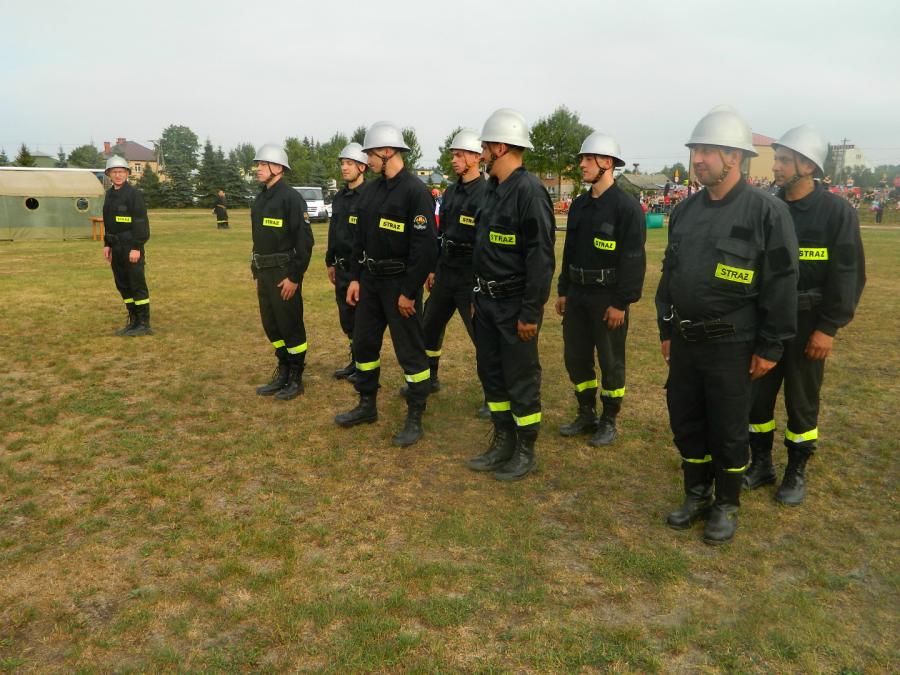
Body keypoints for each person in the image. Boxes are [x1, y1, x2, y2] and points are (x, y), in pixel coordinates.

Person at [655, 106, 799, 545]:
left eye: (707, 151)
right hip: (686, 341)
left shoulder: (766, 212)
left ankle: (726, 503)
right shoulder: (685, 211)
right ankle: (697, 494)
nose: (697, 159)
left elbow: (782, 282)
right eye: (695, 150)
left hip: (733, 344)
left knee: (728, 427)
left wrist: (770, 346)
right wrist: (666, 329)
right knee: (686, 420)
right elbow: (670, 273)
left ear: (734, 156)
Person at [746, 125, 866, 505]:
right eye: (777, 159)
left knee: (801, 401)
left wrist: (827, 328)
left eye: (784, 160)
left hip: (808, 324)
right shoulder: (767, 207)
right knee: (757, 397)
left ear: (808, 166)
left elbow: (848, 273)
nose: (776, 166)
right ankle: (760, 463)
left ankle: (795, 471)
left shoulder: (836, 212)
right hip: (766, 322)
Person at [464, 108, 556, 481]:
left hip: (515, 305)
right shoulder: (490, 190)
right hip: (486, 302)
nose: (482, 153)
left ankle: (525, 450)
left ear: (501, 147)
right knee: (491, 374)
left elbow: (541, 258)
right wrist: (476, 295)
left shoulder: (529, 191)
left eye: (485, 147)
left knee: (521, 378)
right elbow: (482, 248)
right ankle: (502, 441)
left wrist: (530, 312)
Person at [334, 121, 438, 447]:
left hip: (399, 285)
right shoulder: (371, 191)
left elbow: (425, 248)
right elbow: (359, 240)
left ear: (387, 152)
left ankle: (415, 416)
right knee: (364, 345)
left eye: (370, 154)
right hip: (370, 283)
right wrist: (355, 278)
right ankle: (367, 405)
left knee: (410, 352)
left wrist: (409, 292)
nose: (367, 160)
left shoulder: (415, 192)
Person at [555, 132, 646, 446]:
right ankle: (586, 414)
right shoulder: (580, 205)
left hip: (608, 298)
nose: (582, 164)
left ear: (607, 163)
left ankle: (609, 420)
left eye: (588, 159)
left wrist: (621, 303)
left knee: (610, 361)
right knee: (576, 357)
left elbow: (634, 260)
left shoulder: (626, 207)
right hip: (577, 295)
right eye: (582, 158)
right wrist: (563, 290)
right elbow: (569, 252)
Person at [413, 128, 488, 416]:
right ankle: (430, 378)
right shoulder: (451, 192)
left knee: (481, 335)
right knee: (428, 326)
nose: (454, 160)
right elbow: (440, 232)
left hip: (470, 274)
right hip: (446, 270)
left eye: (459, 155)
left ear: (476, 157)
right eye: (453, 155)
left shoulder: (487, 193)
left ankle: (493, 395)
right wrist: (433, 268)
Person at [250, 144, 314, 401]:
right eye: (257, 164)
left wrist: (294, 277)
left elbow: (305, 242)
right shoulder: (260, 199)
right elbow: (258, 240)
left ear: (277, 167)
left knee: (290, 326)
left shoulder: (291, 199)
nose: (258, 169)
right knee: (272, 325)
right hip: (264, 273)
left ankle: (296, 377)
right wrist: (256, 271)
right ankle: (283, 370)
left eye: (262, 164)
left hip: (284, 273)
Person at [326, 142, 369, 381]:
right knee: (347, 318)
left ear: (362, 167)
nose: (344, 168)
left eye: (350, 163)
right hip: (341, 268)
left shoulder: (370, 196)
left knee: (362, 320)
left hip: (360, 270)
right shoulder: (340, 197)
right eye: (343, 163)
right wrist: (330, 261)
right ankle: (355, 361)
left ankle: (365, 366)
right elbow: (334, 231)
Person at [102, 155, 153, 336]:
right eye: (114, 172)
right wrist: (107, 244)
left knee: (136, 283)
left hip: (131, 246)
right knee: (122, 284)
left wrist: (136, 247)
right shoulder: (109, 195)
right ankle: (133, 321)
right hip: (116, 247)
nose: (118, 175)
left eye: (121, 172)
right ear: (109, 174)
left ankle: (144, 323)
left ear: (127, 174)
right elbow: (108, 221)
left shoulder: (134, 195)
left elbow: (141, 223)